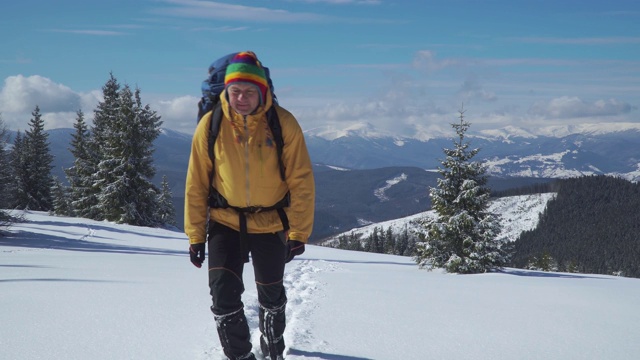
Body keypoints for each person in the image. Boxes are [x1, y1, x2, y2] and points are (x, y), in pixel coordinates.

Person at [184, 51, 315, 360]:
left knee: (271, 296)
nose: (242, 98)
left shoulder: (283, 124)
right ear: (226, 92)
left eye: (249, 91)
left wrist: (298, 232)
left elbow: (301, 180)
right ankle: (240, 356)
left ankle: (273, 351)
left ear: (263, 92)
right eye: (235, 91)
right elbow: (196, 183)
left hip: (271, 222)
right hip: (224, 221)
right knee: (223, 296)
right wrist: (195, 235)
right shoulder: (211, 125)